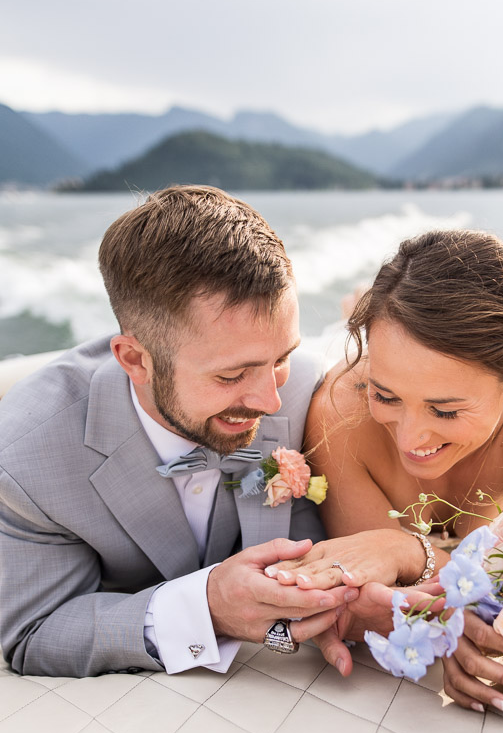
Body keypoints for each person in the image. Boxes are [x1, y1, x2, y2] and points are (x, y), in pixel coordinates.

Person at [0, 185, 356, 678]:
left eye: (281, 359)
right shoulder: (28, 457)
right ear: (135, 359)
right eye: (231, 375)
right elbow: (35, 631)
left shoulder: (306, 391)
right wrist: (205, 608)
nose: (271, 402)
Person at [268, 229, 503, 711]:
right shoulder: (341, 408)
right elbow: (377, 595)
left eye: (444, 411)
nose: (409, 439)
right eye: (386, 396)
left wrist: (405, 547)